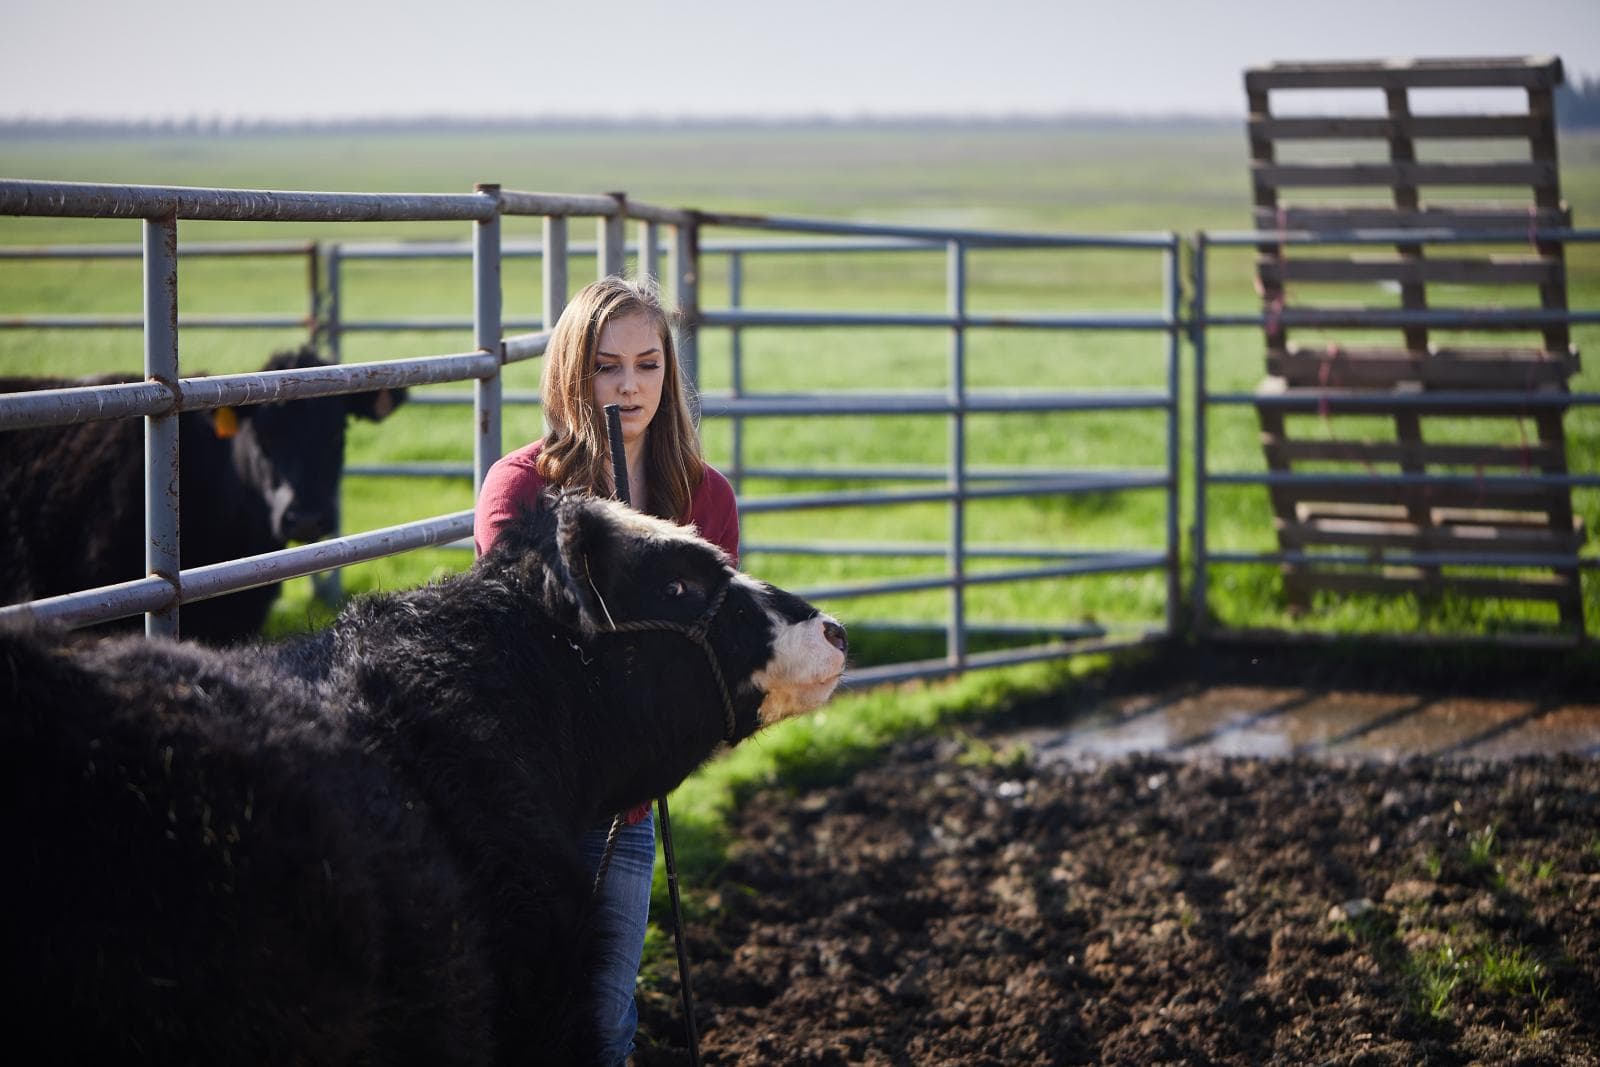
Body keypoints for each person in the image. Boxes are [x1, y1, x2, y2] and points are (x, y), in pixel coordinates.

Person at [474, 274, 739, 1065]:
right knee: (508, 1013)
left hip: (625, 806)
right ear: (571, 371)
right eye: (606, 365)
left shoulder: (702, 496)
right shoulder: (521, 487)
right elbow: (519, 646)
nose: (629, 385)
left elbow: (707, 657)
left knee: (605, 1021)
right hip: (527, 803)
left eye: (649, 364)